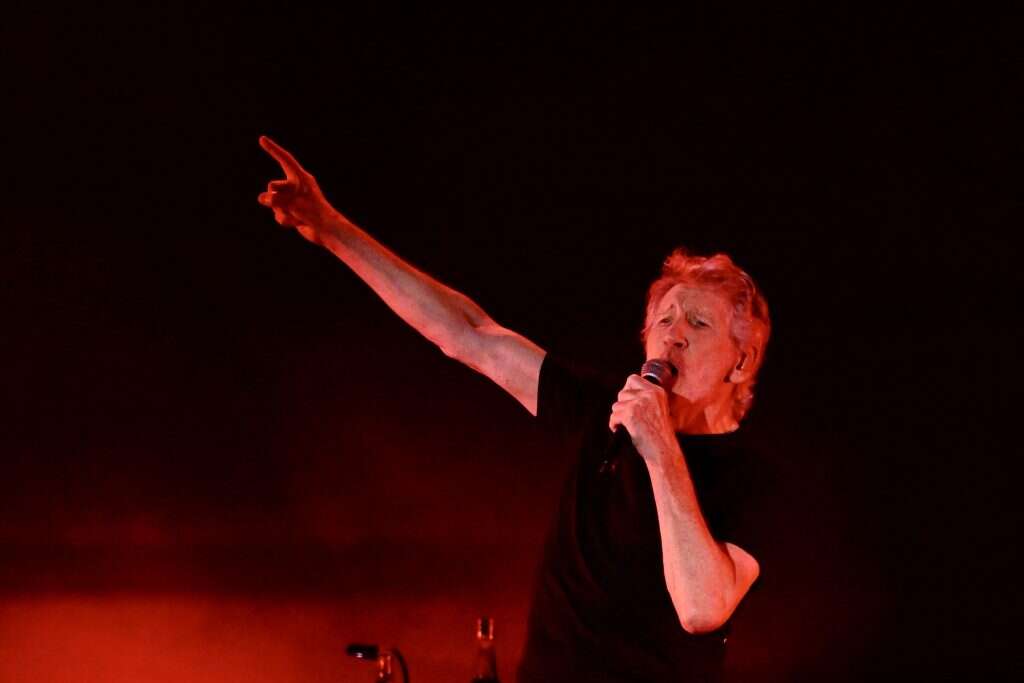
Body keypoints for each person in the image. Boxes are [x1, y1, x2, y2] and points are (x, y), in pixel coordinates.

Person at [257, 135, 772, 682]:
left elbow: (700, 608)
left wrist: (659, 444)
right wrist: (332, 228)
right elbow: (469, 334)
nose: (673, 336)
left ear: (741, 362)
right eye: (663, 320)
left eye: (698, 323)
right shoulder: (603, 413)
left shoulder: (752, 481)